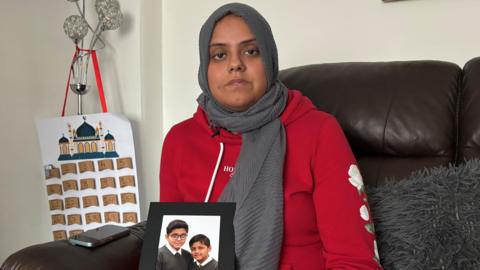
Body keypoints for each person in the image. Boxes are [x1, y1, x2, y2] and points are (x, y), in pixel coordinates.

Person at [160, 3, 382, 270]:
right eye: (219, 55)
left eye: (251, 52)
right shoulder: (180, 140)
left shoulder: (319, 132)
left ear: (270, 58)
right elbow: (171, 252)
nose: (235, 65)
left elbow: (354, 261)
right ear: (204, 68)